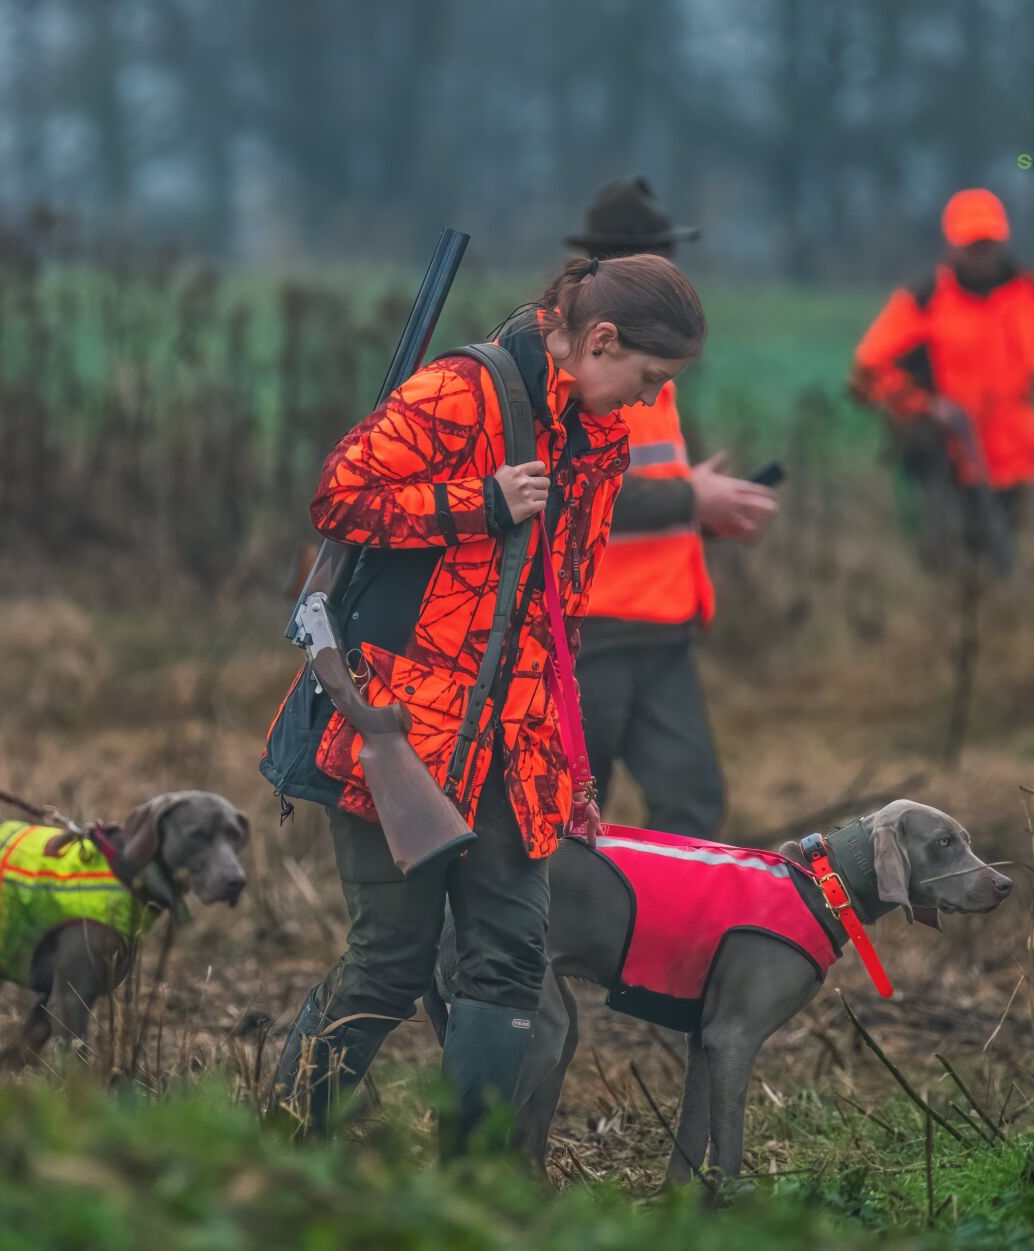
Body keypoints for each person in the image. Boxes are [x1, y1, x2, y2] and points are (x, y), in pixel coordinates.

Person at [266, 254, 707, 1152]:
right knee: (390, 962)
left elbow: (559, 612)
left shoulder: (599, 439)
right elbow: (339, 498)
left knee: (509, 962)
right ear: (600, 339)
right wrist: (480, 502)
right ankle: (280, 1146)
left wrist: (570, 766)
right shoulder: (461, 391)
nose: (648, 398)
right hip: (406, 729)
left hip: (519, 745)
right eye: (649, 376)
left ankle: (473, 1175)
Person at [564, 175, 775, 841]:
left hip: (663, 626)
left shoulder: (647, 353)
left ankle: (660, 909)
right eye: (663, 257)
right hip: (587, 630)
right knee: (565, 818)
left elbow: (637, 477)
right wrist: (693, 497)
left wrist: (700, 509)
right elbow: (571, 486)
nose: (676, 274)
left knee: (692, 806)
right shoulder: (569, 354)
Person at [852, 188, 1034, 568]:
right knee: (946, 555)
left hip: (1014, 451)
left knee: (1001, 550)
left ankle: (994, 600)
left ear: (1001, 241)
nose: (981, 253)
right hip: (944, 452)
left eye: (987, 243)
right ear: (952, 246)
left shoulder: (1032, 291)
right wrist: (925, 405)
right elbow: (868, 365)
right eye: (972, 245)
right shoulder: (924, 300)